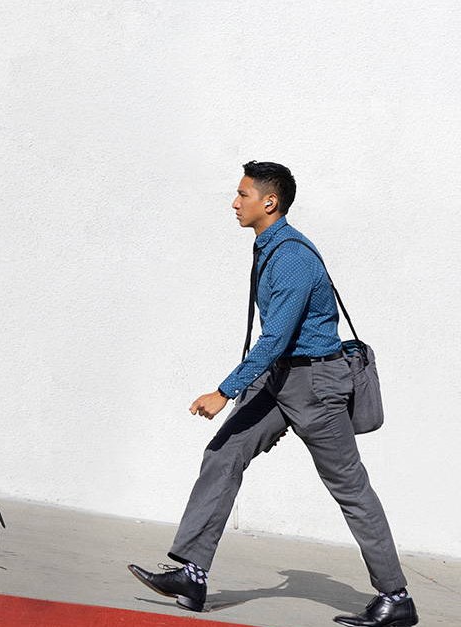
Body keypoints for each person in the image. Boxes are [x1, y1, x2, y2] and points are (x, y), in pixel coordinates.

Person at [128, 162, 416, 627]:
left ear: (270, 202)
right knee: (224, 453)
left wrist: (225, 391)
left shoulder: (292, 257)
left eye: (242, 195)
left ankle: (396, 597)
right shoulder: (270, 247)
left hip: (316, 385)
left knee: (350, 488)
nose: (234, 203)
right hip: (279, 380)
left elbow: (275, 337)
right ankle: (192, 572)